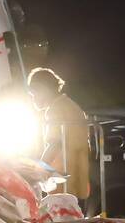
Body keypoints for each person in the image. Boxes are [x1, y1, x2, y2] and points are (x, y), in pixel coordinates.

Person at [28, 67, 91, 206]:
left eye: (34, 93)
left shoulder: (55, 109)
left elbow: (54, 143)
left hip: (64, 180)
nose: (33, 98)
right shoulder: (70, 104)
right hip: (78, 178)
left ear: (44, 89)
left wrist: (38, 167)